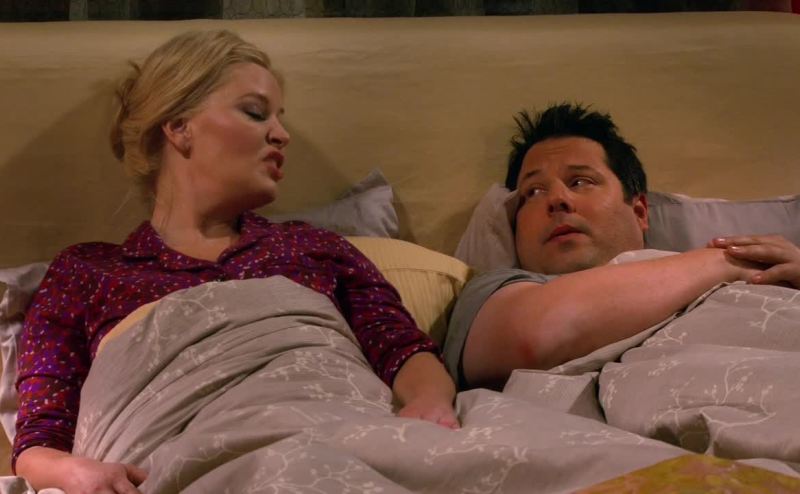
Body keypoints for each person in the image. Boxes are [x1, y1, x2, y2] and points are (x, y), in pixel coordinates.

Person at [14, 30, 458, 494]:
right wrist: (78, 474)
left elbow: (401, 347)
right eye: (255, 112)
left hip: (344, 441)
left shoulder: (315, 248)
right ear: (178, 126)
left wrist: (430, 403)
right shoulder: (86, 272)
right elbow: (40, 439)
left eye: (279, 118)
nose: (282, 134)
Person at [443, 102, 800, 391]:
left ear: (640, 211)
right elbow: (532, 337)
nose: (558, 199)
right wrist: (728, 261)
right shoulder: (494, 293)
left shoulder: (761, 274)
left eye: (580, 181)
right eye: (533, 192)